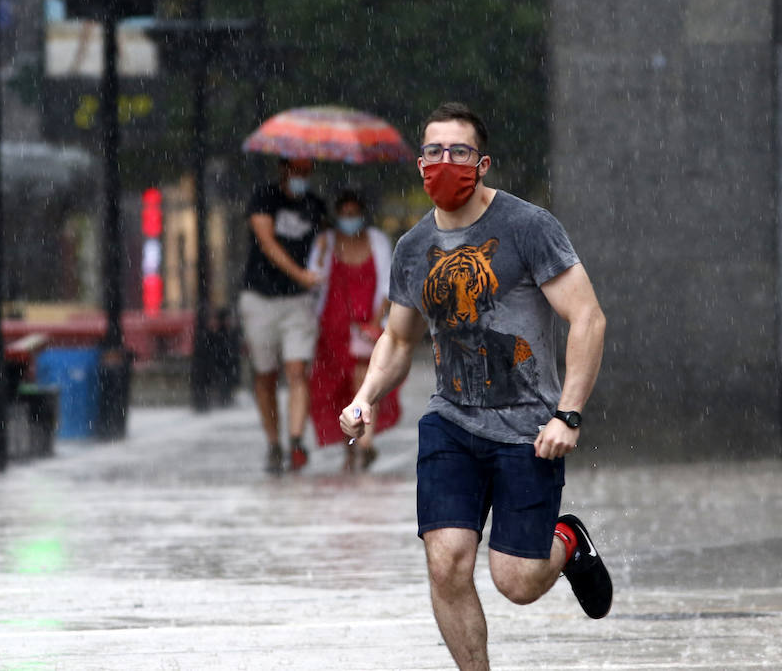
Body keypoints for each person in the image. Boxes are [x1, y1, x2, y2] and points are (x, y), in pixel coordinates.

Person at [340, 102, 612, 670]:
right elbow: (397, 338)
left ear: (482, 163)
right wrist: (365, 397)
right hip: (452, 422)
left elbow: (587, 318)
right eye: (434, 151)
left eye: (459, 152)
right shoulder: (413, 248)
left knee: (515, 580)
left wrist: (569, 414)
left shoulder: (527, 227)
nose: (446, 161)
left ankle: (566, 540)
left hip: (528, 427)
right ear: (419, 164)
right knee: (446, 563)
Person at [239, 157, 326, 472]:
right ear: (284, 168)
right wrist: (298, 273)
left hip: (298, 302)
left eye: (307, 170)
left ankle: (296, 440)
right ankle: (274, 442)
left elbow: (324, 244)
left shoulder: (315, 205)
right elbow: (267, 242)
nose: (302, 176)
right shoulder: (264, 198)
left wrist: (313, 276)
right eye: (296, 169)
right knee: (265, 374)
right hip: (260, 297)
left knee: (296, 369)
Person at [306, 190, 400, 471]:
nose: (349, 219)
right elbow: (315, 279)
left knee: (365, 383)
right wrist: (322, 251)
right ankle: (351, 443)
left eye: (353, 213)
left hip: (366, 327)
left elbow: (387, 283)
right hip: (332, 330)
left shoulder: (377, 241)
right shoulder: (326, 241)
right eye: (344, 214)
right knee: (336, 389)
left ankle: (364, 442)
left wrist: (376, 321)